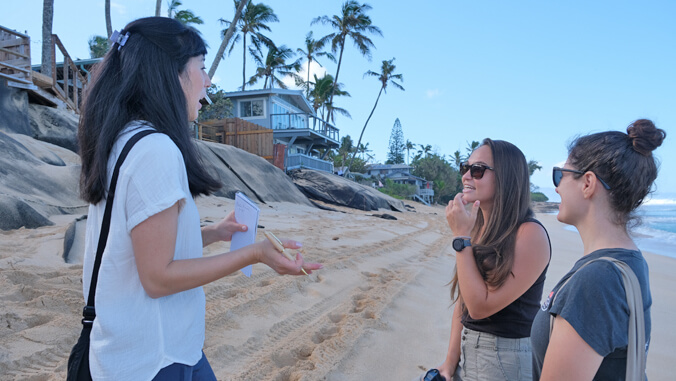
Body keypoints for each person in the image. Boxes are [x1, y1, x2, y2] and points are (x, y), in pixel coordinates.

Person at [77, 17, 321, 380]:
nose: (207, 81)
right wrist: (252, 253)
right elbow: (157, 278)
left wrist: (213, 233)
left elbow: (133, 241)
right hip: (155, 360)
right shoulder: (156, 150)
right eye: (202, 68)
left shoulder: (123, 139)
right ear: (170, 73)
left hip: (142, 348)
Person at [531, 119, 665, 380]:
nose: (556, 187)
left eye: (561, 174)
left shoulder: (597, 280)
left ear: (588, 183)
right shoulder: (630, 262)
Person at [437, 138, 551, 381]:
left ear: (506, 178)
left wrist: (461, 239)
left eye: (477, 170)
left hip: (504, 360)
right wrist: (449, 363)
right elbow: (465, 301)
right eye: (464, 168)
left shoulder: (530, 234)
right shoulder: (479, 227)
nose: (466, 176)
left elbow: (480, 307)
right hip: (470, 352)